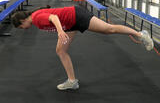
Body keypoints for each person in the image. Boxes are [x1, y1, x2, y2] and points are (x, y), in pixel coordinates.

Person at [11, 5, 154, 90]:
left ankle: (141, 34)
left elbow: (54, 17)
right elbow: (55, 17)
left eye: (20, 26)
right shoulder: (35, 17)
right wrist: (63, 30)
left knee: (109, 29)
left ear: (22, 21)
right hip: (70, 24)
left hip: (77, 16)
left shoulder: (35, 18)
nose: (22, 29)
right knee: (61, 51)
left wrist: (60, 31)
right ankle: (72, 82)